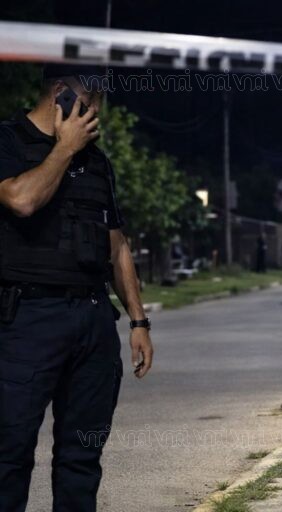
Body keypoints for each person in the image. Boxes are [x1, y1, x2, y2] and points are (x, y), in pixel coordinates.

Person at [0, 65, 154, 511]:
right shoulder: (8, 141)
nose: (99, 112)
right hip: (27, 320)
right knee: (9, 455)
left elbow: (117, 245)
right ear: (62, 93)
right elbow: (22, 200)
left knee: (81, 459)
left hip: (91, 321)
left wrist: (139, 321)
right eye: (94, 100)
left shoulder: (97, 162)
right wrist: (64, 149)